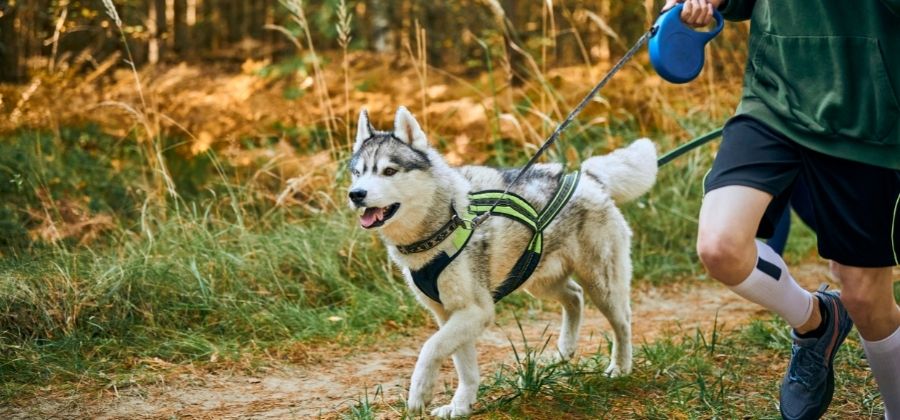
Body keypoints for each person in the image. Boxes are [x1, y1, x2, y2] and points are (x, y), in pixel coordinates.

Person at [662, 0, 900, 418]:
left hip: (869, 114)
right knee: (721, 246)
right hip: (773, 99)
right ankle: (816, 322)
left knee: (865, 298)